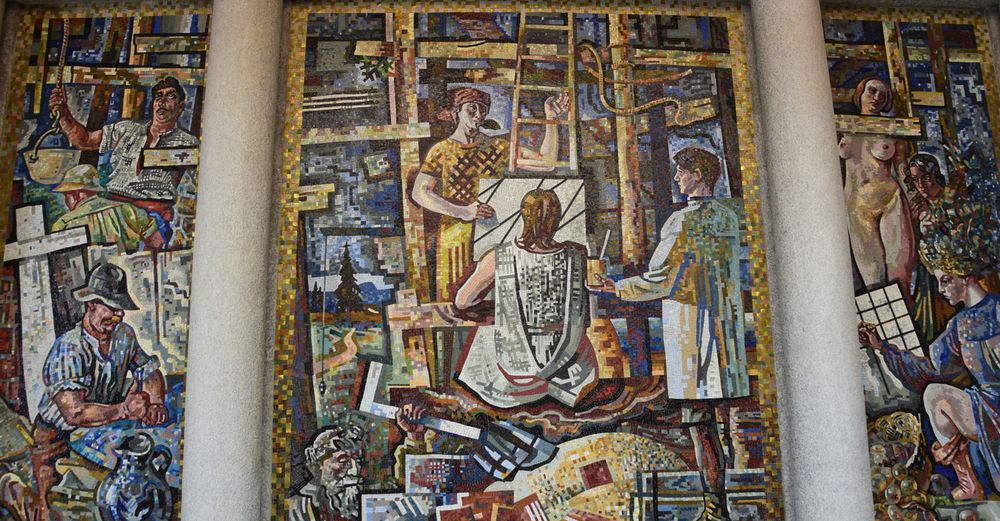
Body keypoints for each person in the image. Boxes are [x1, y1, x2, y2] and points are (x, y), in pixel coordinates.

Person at [590, 147, 745, 520]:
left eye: (681, 171)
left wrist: (616, 288)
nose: (677, 178)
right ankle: (721, 494)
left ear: (697, 174)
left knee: (699, 423)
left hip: (693, 328)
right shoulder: (727, 216)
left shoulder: (681, 222)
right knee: (718, 417)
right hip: (724, 326)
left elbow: (661, 280)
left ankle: (715, 506)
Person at [30, 262, 168, 519]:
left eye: (120, 309)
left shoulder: (124, 335)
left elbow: (149, 371)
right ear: (91, 305)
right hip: (57, 438)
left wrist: (156, 401)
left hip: (103, 430)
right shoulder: (69, 347)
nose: (118, 315)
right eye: (111, 308)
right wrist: (125, 409)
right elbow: (75, 413)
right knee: (56, 508)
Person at [412, 87, 569, 302]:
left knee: (492, 300)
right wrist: (462, 211)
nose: (478, 115)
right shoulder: (441, 150)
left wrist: (551, 118)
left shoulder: (497, 146)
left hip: (493, 233)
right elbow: (420, 192)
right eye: (472, 108)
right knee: (455, 301)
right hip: (456, 238)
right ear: (457, 111)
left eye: (482, 109)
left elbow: (547, 163)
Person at [453, 189, 596, 408]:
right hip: (569, 374)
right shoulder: (577, 254)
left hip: (511, 379)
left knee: (483, 334)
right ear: (558, 218)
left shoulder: (498, 256)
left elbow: (462, 301)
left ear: (523, 214)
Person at [48, 76, 199, 243]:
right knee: (70, 230)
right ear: (153, 104)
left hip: (153, 217)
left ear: (180, 107)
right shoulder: (126, 129)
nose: (162, 101)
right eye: (158, 96)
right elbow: (85, 141)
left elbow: (193, 188)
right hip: (115, 210)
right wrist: (63, 114)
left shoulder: (188, 143)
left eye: (170, 96)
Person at [50, 164, 164, 253]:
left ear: (76, 194)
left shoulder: (64, 224)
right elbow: (157, 242)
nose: (66, 201)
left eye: (66, 195)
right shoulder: (129, 209)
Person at [289, 423, 365, 521]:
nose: (354, 471)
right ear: (316, 464)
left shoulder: (341, 503)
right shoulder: (297, 508)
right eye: (342, 461)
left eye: (358, 462)